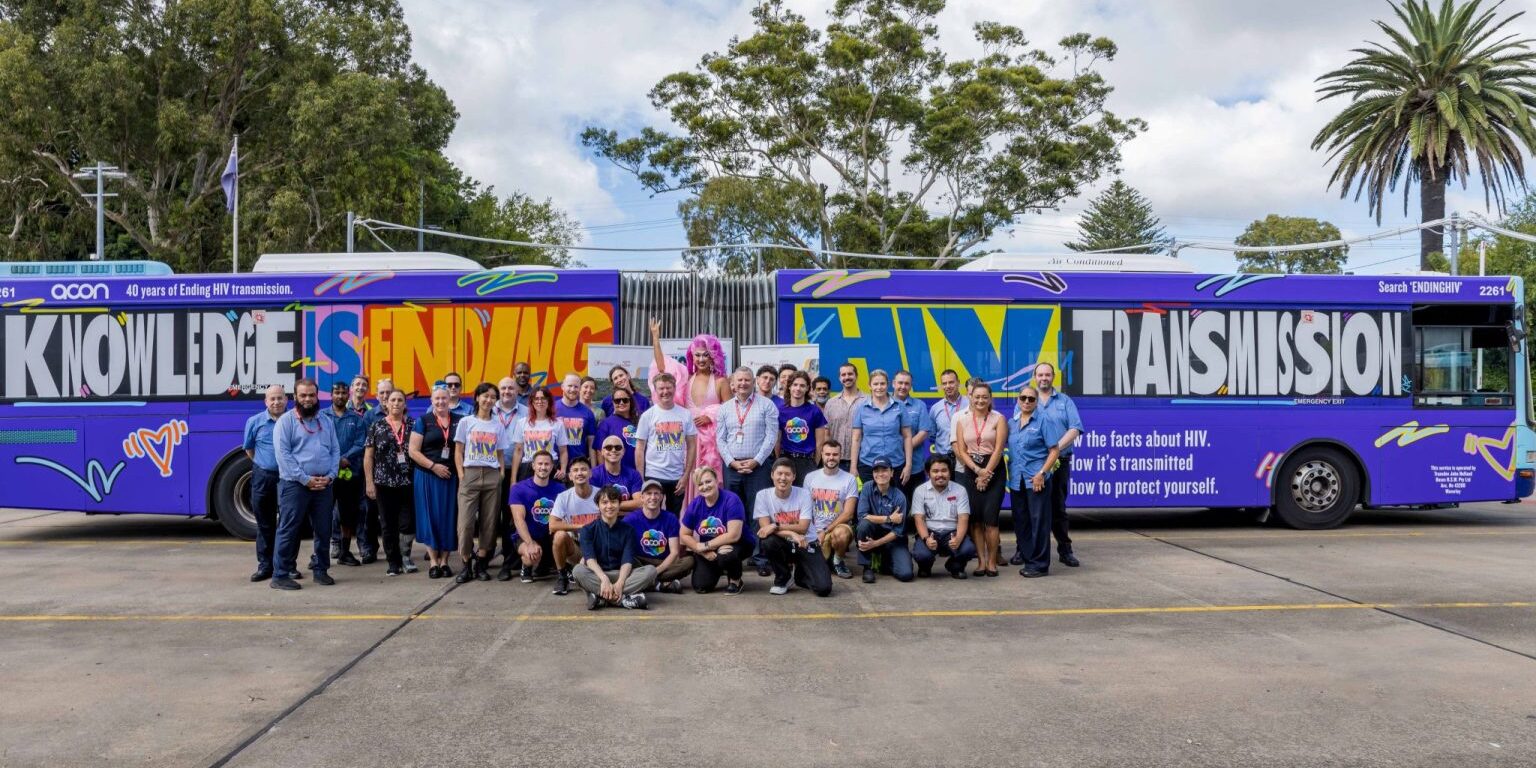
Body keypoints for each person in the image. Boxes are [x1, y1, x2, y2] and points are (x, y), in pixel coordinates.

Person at [648, 317, 729, 502]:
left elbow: (731, 411)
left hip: (712, 443)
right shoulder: (685, 377)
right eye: (697, 355)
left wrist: (711, 415)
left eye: (705, 355)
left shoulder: (721, 381)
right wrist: (655, 338)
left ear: (713, 356)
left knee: (708, 481)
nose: (701, 359)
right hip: (687, 441)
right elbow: (662, 369)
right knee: (688, 482)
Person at [271, 379, 340, 590]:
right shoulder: (286, 422)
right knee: (288, 529)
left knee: (323, 530)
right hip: (295, 486)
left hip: (323, 485)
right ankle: (280, 575)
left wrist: (330, 476)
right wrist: (305, 479)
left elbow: (335, 450)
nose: (308, 399)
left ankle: (321, 570)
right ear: (295, 398)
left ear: (317, 396)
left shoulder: (325, 421)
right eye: (303, 395)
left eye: (312, 395)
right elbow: (283, 455)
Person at [452, 382, 510, 583]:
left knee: (490, 522)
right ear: (477, 397)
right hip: (470, 473)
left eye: (493, 397)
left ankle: (481, 564)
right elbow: (458, 451)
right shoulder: (466, 422)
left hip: (492, 474)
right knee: (465, 524)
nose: (489, 400)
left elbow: (501, 452)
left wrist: (501, 473)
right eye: (485, 396)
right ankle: (466, 563)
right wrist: (461, 475)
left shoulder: (497, 425)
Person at [754, 459, 832, 597]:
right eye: (779, 474)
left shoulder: (804, 494)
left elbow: (803, 527)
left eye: (787, 474)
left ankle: (800, 575)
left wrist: (775, 525)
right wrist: (791, 533)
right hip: (784, 543)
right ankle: (783, 577)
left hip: (806, 542)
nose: (783, 478)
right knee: (768, 541)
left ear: (794, 477)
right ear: (772, 475)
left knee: (823, 588)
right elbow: (764, 529)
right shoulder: (763, 496)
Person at [1032, 362, 1084, 568]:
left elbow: (1075, 428)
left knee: (1058, 508)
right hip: (1035, 464)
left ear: (1053, 377)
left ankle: (1065, 550)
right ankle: (1023, 549)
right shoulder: (1028, 399)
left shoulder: (1065, 401)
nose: (1043, 378)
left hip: (1059, 462)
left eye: (1047, 375)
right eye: (1040, 375)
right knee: (1032, 509)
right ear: (1034, 377)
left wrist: (1053, 449)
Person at [1008, 386, 1064, 578]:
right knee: (1021, 521)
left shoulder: (1044, 421)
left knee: (1039, 522)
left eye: (1031, 399)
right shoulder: (1011, 423)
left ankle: (1040, 565)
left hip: (1036, 480)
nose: (1026, 401)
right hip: (1017, 480)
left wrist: (1042, 473)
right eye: (1023, 398)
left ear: (1036, 401)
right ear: (1018, 399)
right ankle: (1028, 558)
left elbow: (1054, 450)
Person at [953, 380, 1007, 577]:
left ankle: (992, 562)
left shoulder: (999, 419)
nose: (981, 400)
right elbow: (961, 450)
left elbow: (999, 449)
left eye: (985, 397)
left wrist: (986, 474)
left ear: (990, 399)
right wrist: (977, 471)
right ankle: (981, 562)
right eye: (977, 397)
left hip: (994, 470)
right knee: (975, 520)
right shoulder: (962, 421)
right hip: (971, 471)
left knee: (991, 520)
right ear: (970, 398)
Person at [408, 386, 462, 579]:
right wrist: (433, 467)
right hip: (427, 476)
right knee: (429, 517)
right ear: (431, 401)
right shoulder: (423, 421)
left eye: (444, 398)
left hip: (451, 477)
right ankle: (433, 561)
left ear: (450, 399)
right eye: (437, 399)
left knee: (449, 518)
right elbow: (413, 451)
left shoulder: (459, 421)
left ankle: (445, 561)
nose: (440, 402)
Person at [573, 486, 656, 610]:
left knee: (650, 571)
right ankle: (622, 600)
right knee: (578, 571)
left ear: (619, 504)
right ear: (598, 506)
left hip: (622, 575)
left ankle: (601, 597)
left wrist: (620, 582)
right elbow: (590, 560)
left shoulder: (628, 530)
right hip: (597, 575)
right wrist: (604, 579)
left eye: (613, 502)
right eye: (604, 502)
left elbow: (627, 561)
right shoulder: (587, 530)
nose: (609, 506)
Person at [363, 388, 414, 576]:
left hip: (408, 482)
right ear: (386, 403)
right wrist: (369, 483)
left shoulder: (413, 425)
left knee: (407, 523)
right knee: (387, 524)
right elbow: (368, 457)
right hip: (383, 483)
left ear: (404, 404)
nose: (396, 403)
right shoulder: (376, 426)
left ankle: (406, 556)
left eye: (400, 400)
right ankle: (393, 562)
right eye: (392, 399)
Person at [679, 466, 751, 594]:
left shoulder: (731, 500)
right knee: (701, 586)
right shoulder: (695, 505)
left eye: (708, 481)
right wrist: (700, 550)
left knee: (726, 555)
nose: (705, 486)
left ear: (716, 480)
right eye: (700, 484)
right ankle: (719, 567)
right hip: (709, 548)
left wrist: (706, 545)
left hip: (738, 543)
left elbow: (734, 535)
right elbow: (684, 534)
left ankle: (735, 579)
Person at [634, 372, 698, 512]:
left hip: (677, 477)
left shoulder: (685, 414)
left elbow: (692, 445)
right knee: (651, 514)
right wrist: (640, 477)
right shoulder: (648, 415)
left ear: (674, 388)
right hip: (653, 474)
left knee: (673, 517)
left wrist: (686, 475)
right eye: (661, 388)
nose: (665, 392)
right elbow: (639, 448)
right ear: (655, 391)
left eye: (668, 388)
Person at [243, 385, 287, 582]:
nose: (276, 402)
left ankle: (287, 566)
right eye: (272, 399)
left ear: (286, 400)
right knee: (265, 524)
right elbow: (249, 449)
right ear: (266, 402)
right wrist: (264, 465)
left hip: (287, 478)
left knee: (287, 524)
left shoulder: (292, 420)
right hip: (263, 477)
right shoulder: (255, 422)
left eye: (280, 398)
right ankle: (265, 566)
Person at [324, 380, 368, 567]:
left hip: (350, 474)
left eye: (343, 393)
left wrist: (344, 458)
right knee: (323, 514)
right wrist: (334, 461)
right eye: (336, 393)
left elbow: (360, 443)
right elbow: (317, 441)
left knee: (347, 515)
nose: (340, 396)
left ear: (347, 395)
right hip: (327, 474)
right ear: (331, 395)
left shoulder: (356, 419)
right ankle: (319, 554)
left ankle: (345, 552)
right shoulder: (322, 417)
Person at [910, 455, 976, 579]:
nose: (940, 475)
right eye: (935, 471)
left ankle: (955, 567)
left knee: (968, 549)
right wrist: (926, 539)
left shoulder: (960, 490)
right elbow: (919, 519)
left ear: (950, 472)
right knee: (921, 554)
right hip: (930, 533)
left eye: (944, 470)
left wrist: (959, 538)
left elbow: (963, 518)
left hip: (952, 532)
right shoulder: (920, 491)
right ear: (928, 473)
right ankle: (925, 567)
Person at [624, 479, 693, 594]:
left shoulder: (670, 518)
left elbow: (675, 552)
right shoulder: (631, 519)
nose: (653, 497)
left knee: (689, 561)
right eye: (649, 494)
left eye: (656, 493)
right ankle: (659, 585)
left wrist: (654, 572)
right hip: (640, 563)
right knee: (627, 560)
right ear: (642, 497)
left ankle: (647, 581)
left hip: (662, 562)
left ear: (662, 497)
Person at [802, 440, 859, 579]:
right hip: (814, 528)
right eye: (827, 454)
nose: (831, 457)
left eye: (835, 454)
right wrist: (812, 531)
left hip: (836, 527)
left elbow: (848, 513)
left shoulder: (849, 479)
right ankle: (828, 557)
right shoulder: (810, 477)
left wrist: (825, 531)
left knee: (841, 535)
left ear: (840, 456)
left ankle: (838, 561)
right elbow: (805, 507)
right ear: (821, 454)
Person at [506, 450, 565, 582]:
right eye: (540, 464)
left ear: (552, 466)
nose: (543, 467)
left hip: (549, 535)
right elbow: (518, 519)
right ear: (533, 466)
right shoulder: (518, 489)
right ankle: (526, 566)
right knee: (532, 554)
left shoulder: (560, 489)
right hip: (527, 535)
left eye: (546, 464)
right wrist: (530, 543)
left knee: (563, 540)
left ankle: (557, 567)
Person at [849, 369, 913, 486]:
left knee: (894, 502)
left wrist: (908, 465)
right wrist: (853, 466)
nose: (879, 387)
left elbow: (907, 436)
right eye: (875, 384)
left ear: (888, 385)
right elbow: (856, 438)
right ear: (869, 386)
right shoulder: (861, 408)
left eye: (882, 384)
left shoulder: (900, 406)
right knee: (870, 501)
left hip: (895, 464)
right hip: (868, 464)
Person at [548, 456, 601, 596]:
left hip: (598, 547)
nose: (579, 473)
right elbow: (552, 525)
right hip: (577, 547)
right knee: (559, 535)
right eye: (575, 470)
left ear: (590, 473)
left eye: (584, 469)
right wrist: (581, 526)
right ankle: (562, 577)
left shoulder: (600, 494)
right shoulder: (563, 497)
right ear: (570, 476)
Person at [853, 458, 912, 583]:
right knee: (863, 526)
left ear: (892, 473)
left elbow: (897, 532)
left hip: (893, 539)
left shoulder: (900, 497)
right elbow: (862, 516)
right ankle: (867, 567)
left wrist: (876, 543)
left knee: (906, 574)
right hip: (872, 533)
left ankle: (885, 559)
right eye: (876, 471)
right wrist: (889, 518)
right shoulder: (867, 487)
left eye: (884, 470)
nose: (880, 474)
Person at [775, 370, 827, 483]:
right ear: (789, 387)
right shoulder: (780, 411)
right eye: (795, 385)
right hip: (786, 459)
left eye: (802, 385)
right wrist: (779, 460)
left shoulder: (815, 411)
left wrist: (814, 463)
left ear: (808, 388)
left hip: (807, 461)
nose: (798, 388)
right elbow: (777, 441)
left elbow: (820, 443)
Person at [892, 370, 935, 501]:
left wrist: (904, 448)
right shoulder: (884, 403)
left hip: (915, 467)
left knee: (917, 506)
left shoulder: (919, 405)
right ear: (893, 384)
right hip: (891, 466)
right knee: (894, 505)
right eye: (900, 383)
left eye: (907, 384)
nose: (903, 386)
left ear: (911, 386)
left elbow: (924, 432)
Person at [510, 387, 568, 482]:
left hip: (549, 467)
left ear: (549, 401)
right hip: (527, 468)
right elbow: (518, 451)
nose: (540, 401)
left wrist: (563, 470)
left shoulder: (558, 424)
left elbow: (563, 451)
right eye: (536, 398)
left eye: (543, 398)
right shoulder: (522, 423)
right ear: (532, 402)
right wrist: (513, 479)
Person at [822, 363, 864, 471]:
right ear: (839, 378)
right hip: (835, 460)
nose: (847, 377)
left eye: (850, 374)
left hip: (862, 460)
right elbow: (827, 433)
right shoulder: (831, 403)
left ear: (856, 376)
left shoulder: (867, 401)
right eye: (843, 375)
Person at [594, 388, 641, 473]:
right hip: (616, 474)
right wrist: (605, 474)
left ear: (630, 401)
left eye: (625, 400)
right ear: (613, 403)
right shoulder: (606, 424)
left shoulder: (640, 421)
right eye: (617, 401)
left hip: (637, 473)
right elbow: (600, 451)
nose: (621, 403)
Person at [592, 435, 645, 510]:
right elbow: (593, 503)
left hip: (627, 519)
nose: (613, 450)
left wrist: (610, 505)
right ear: (602, 452)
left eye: (618, 448)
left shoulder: (633, 474)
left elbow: (640, 503)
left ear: (623, 451)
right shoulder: (594, 474)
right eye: (609, 447)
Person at [556, 373, 598, 462]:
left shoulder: (588, 413)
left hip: (578, 466)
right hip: (555, 467)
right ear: (562, 386)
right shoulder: (551, 409)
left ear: (579, 388)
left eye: (576, 386)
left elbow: (591, 445)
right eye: (570, 386)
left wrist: (593, 469)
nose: (573, 389)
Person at [928, 369, 968, 461]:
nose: (948, 386)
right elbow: (932, 435)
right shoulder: (935, 408)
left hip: (966, 457)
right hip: (943, 458)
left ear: (958, 383)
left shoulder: (970, 404)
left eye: (951, 382)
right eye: (944, 383)